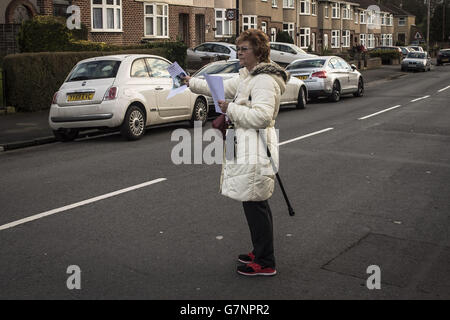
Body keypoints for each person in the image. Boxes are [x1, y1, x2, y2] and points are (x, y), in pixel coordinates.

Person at [182, 29, 289, 277]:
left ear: (258, 51)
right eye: (238, 48)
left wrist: (231, 108)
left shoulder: (263, 80)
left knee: (255, 202)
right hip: (244, 143)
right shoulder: (247, 76)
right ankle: (260, 250)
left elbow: (262, 117)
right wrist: (190, 82)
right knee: (253, 199)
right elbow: (219, 86)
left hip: (255, 145)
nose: (238, 53)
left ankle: (265, 261)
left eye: (244, 49)